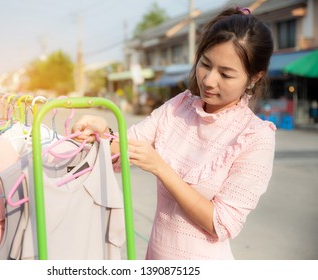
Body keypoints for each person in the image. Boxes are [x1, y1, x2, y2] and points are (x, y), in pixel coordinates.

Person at [72, 6, 276, 260]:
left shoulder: (255, 137)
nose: (209, 80)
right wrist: (104, 132)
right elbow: (126, 148)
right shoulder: (180, 106)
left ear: (255, 77)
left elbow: (221, 224)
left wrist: (161, 168)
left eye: (225, 74)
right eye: (205, 64)